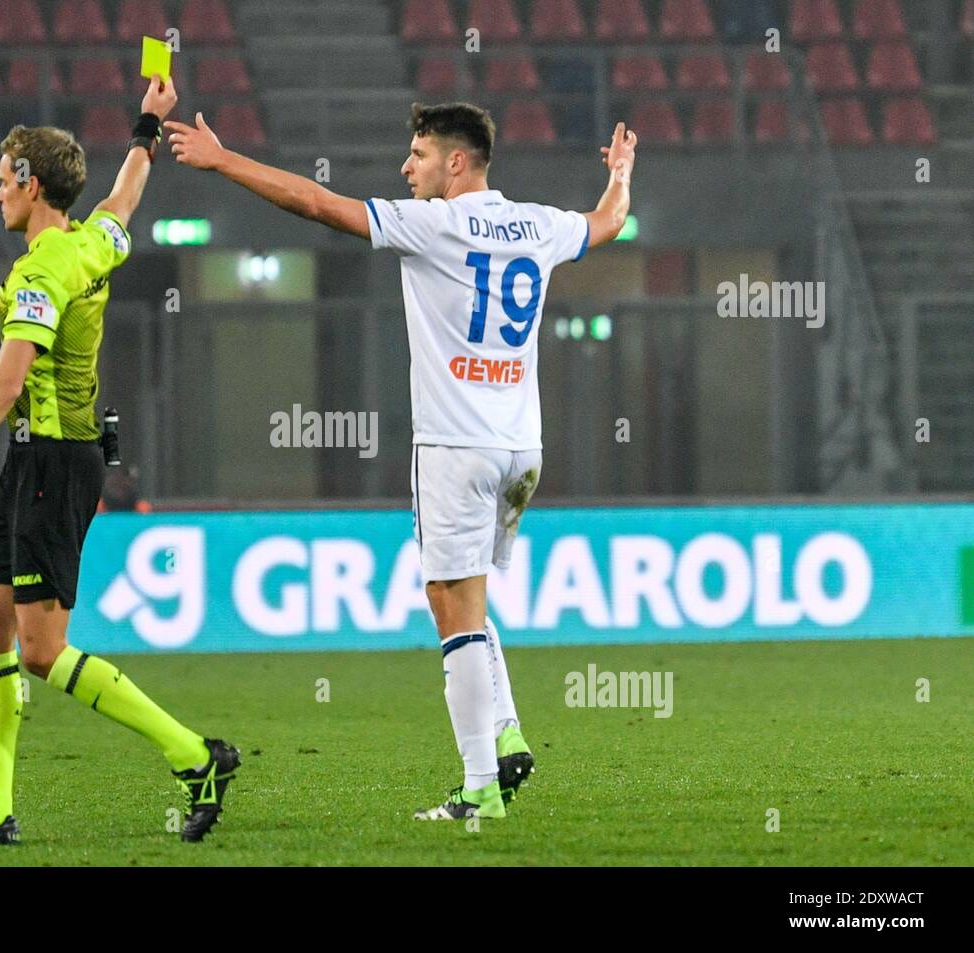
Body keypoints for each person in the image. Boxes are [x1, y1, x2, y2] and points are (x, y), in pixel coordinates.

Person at [165, 101, 635, 820]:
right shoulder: (539, 224)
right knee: (466, 600)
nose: (403, 167)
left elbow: (318, 204)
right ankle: (505, 732)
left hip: (455, 446)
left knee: (453, 612)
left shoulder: (434, 224)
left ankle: (479, 789)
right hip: (521, 448)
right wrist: (622, 175)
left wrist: (222, 159)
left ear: (455, 162)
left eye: (416, 154)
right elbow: (605, 224)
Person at [0, 76, 239, 846]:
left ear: (31, 183)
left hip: (53, 459)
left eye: (3, 180)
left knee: (42, 651)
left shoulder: (41, 272)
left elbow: (6, 381)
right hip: (37, 460)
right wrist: (146, 128)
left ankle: (196, 757)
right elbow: (124, 200)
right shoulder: (92, 242)